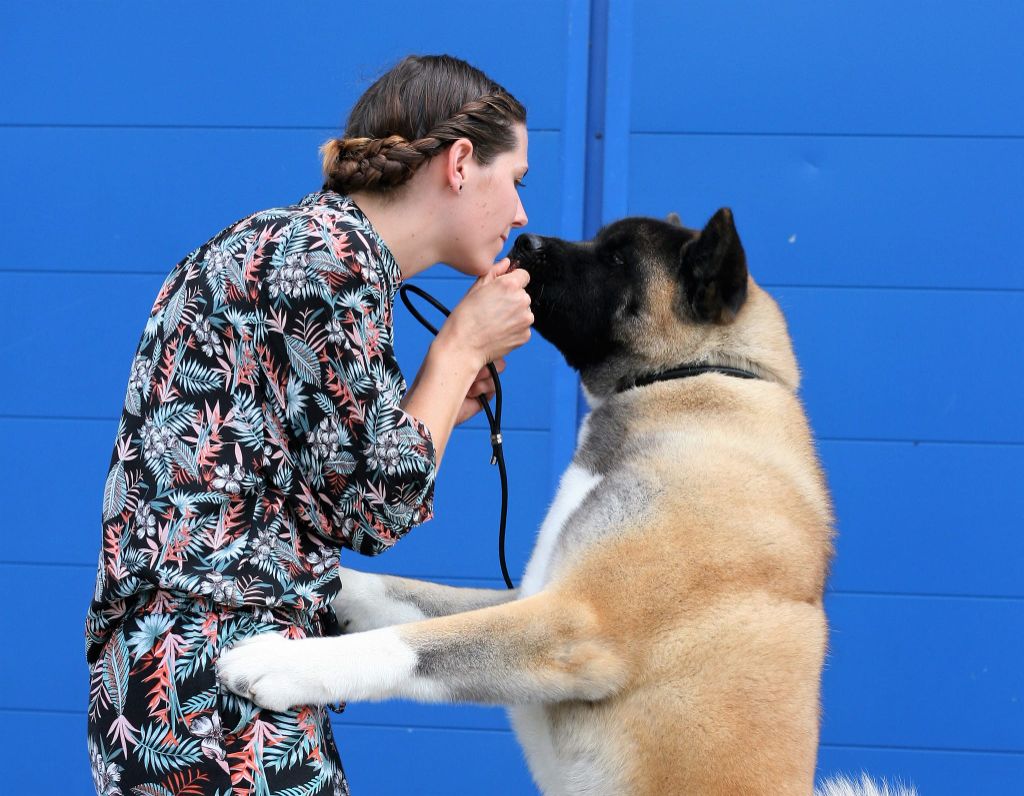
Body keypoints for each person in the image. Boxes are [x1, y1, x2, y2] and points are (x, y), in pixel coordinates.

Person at [85, 54, 533, 796]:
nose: (520, 214)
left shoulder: (291, 243)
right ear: (459, 164)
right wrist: (460, 348)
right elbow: (375, 508)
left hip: (179, 666)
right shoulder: (332, 260)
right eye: (516, 179)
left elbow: (321, 483)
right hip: (214, 672)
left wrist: (439, 397)